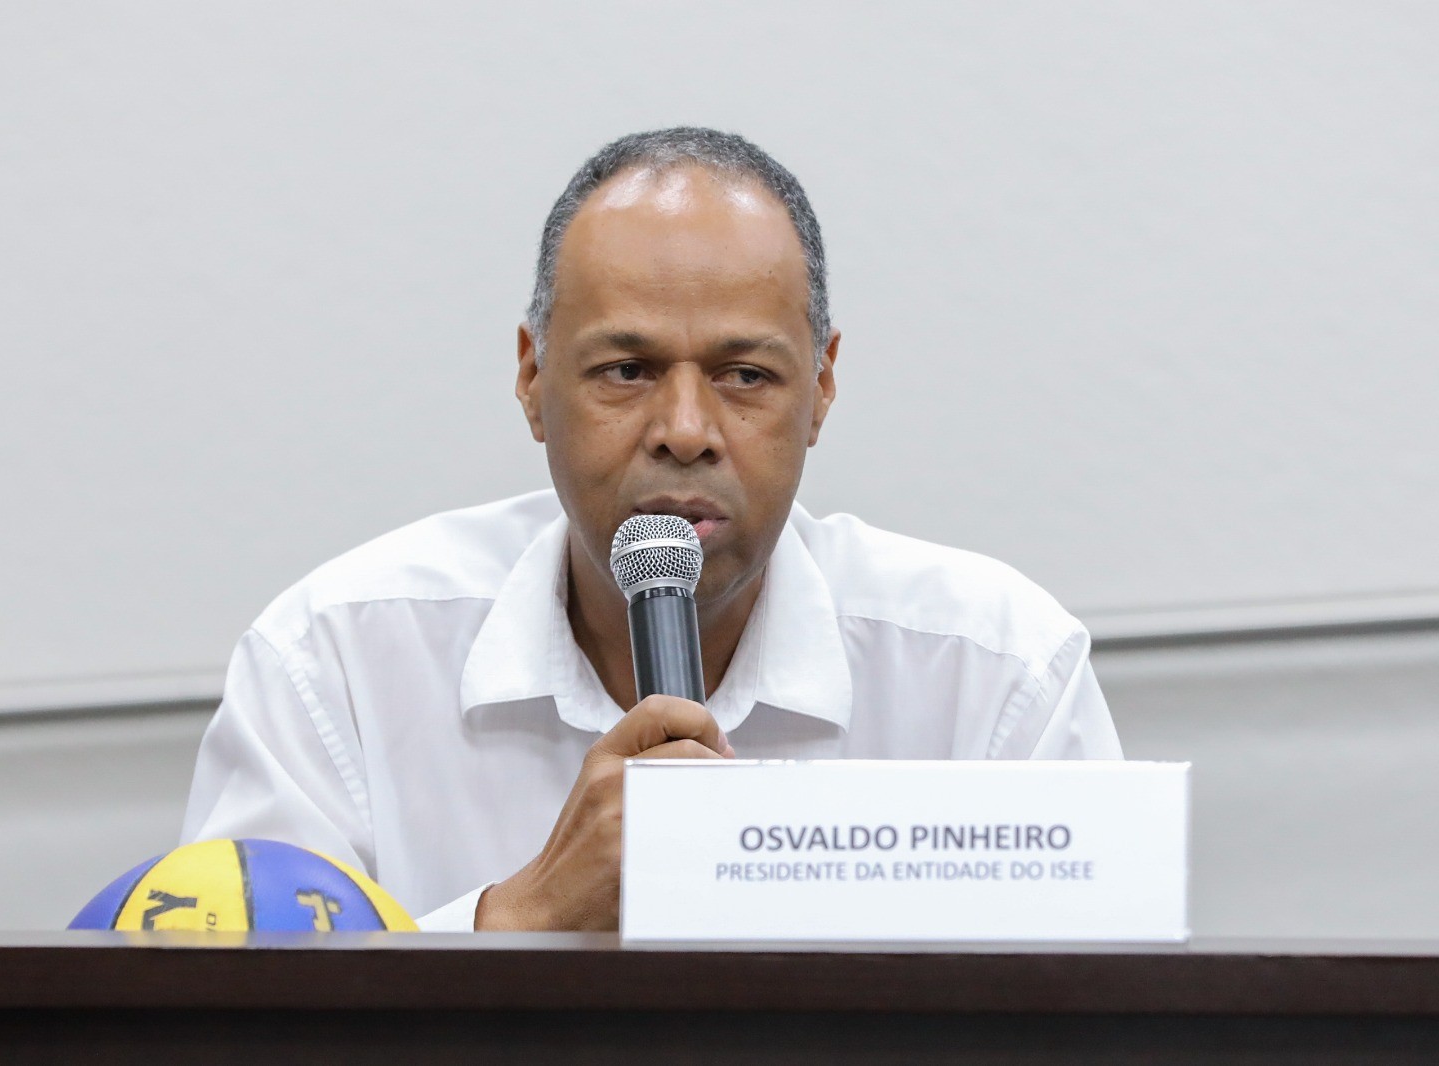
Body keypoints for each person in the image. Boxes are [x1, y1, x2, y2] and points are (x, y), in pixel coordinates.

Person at [180, 127, 1122, 932]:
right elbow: (230, 1028)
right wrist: (523, 918)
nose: (684, 430)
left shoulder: (993, 674)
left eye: (745, 375)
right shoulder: (336, 662)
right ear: (532, 378)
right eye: (626, 371)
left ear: (823, 385)